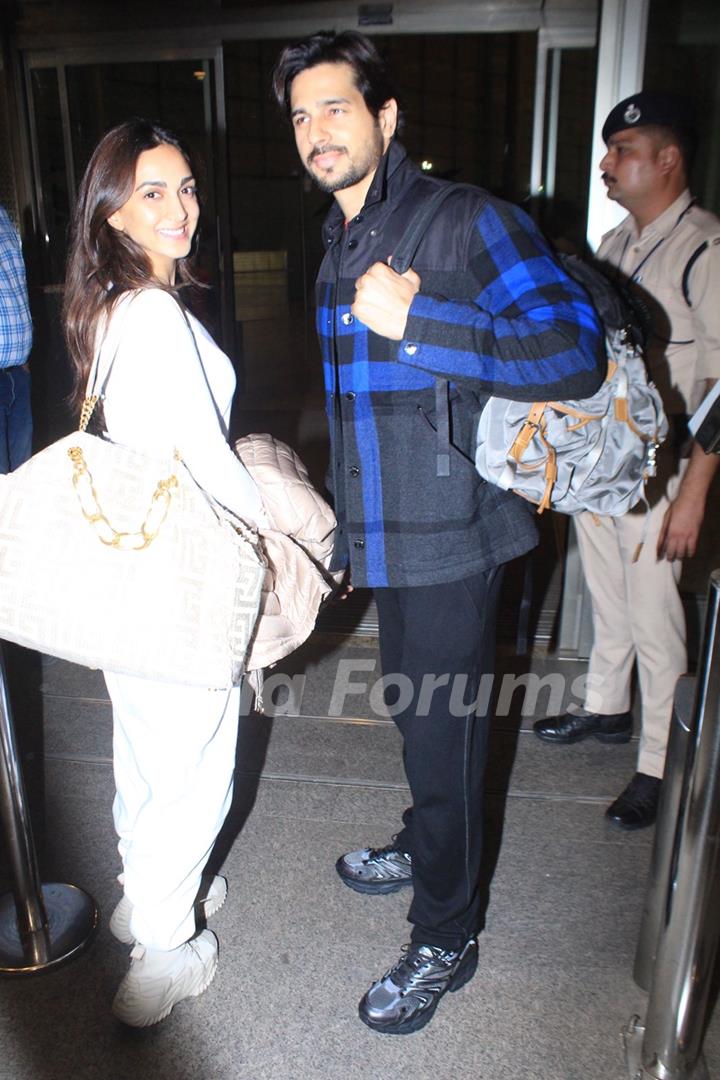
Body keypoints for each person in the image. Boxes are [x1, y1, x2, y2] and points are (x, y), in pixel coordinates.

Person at [271, 30, 605, 1036]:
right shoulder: (338, 240)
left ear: (386, 117)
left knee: (447, 733)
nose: (317, 131)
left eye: (337, 108)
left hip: (459, 537)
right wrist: (345, 529)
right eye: (300, 116)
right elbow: (363, 410)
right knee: (421, 722)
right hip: (393, 536)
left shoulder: (467, 222)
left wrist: (421, 324)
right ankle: (428, 838)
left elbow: (571, 352)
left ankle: (447, 930)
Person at [63, 119, 265, 1027]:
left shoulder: (105, 309)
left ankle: (149, 893)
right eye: (152, 191)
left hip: (129, 566)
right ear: (111, 210)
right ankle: (164, 950)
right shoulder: (151, 313)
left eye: (185, 187)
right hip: (182, 568)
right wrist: (277, 541)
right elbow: (208, 462)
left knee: (146, 752)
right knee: (192, 762)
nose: (180, 207)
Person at [534, 92, 720, 830]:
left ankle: (658, 762)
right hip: (611, 455)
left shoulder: (705, 246)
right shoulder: (614, 243)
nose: (607, 164)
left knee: (654, 616)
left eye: (622, 150)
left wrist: (694, 492)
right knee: (607, 596)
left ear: (667, 160)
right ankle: (607, 708)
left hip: (668, 460)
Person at [0, 204, 33, 471]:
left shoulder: (2, 217)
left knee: (22, 479)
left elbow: (17, 287)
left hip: (17, 374)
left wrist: (24, 353)